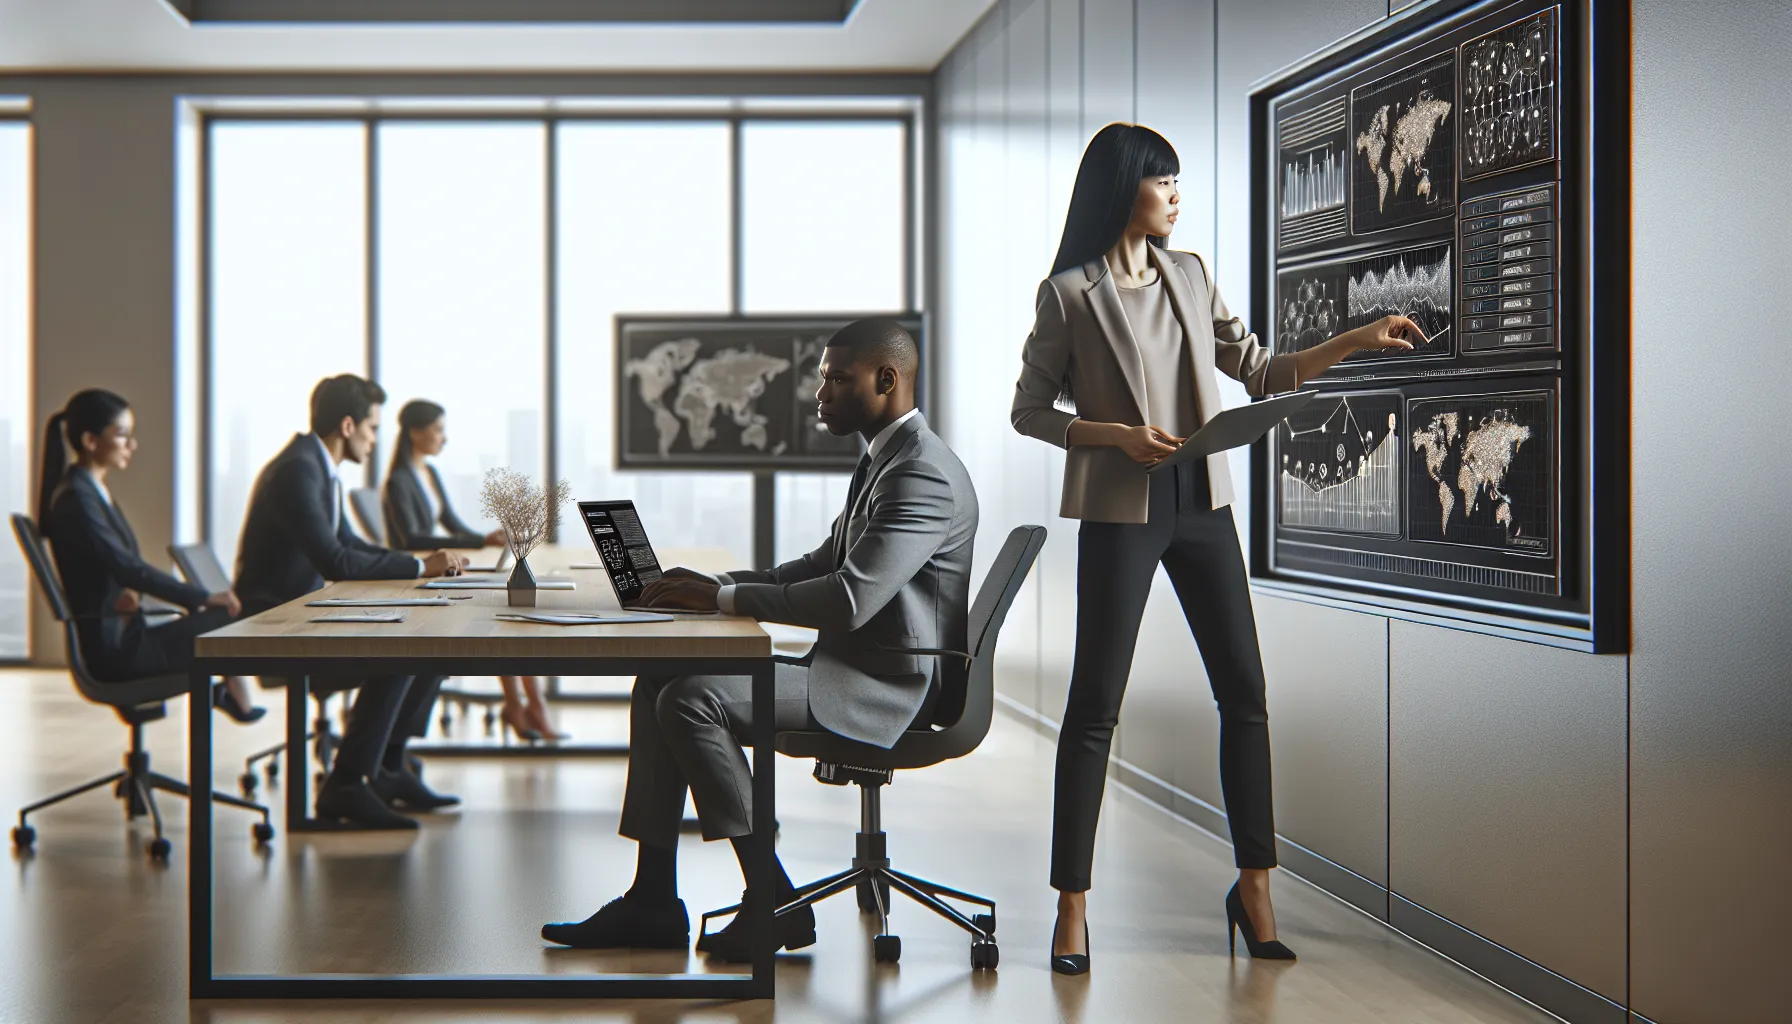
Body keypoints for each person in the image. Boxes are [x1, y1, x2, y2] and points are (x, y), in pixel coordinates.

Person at [1011, 124, 1422, 972]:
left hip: (1202, 502)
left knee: (1245, 691)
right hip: (1122, 507)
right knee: (1095, 706)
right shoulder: (1068, 295)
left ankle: (1255, 890)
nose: (1174, 194)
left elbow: (1264, 371)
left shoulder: (1191, 276)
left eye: (1177, 181)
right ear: (1123, 188)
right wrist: (1113, 436)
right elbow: (1029, 411)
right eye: (1162, 180)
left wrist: (1354, 340)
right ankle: (1072, 909)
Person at [540, 318, 978, 962]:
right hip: (855, 664)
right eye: (821, 377)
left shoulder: (921, 473)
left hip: (885, 685)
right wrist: (714, 584)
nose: (820, 392)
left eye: (837, 378)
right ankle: (653, 899)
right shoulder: (887, 459)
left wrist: (722, 599)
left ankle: (772, 900)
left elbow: (851, 598)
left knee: (692, 698)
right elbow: (818, 565)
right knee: (659, 681)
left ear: (887, 380)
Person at [235, 374, 471, 830]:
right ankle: (345, 784)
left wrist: (418, 563)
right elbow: (337, 560)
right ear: (347, 426)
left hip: (302, 613)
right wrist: (419, 567)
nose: (375, 439)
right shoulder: (298, 470)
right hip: (277, 626)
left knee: (432, 646)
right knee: (402, 651)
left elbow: (348, 542)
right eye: (372, 428)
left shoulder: (316, 466)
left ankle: (387, 768)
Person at [36, 389, 264, 723]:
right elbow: (127, 568)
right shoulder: (77, 500)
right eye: (123, 435)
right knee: (230, 619)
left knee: (225, 619)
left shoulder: (88, 492)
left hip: (127, 633)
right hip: (117, 653)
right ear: (90, 440)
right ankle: (230, 692)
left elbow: (118, 569)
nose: (133, 445)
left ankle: (228, 691)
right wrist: (199, 597)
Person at [383, 398, 561, 741]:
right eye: (437, 430)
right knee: (501, 620)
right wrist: (472, 544)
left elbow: (449, 523)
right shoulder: (398, 481)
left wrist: (485, 539)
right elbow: (410, 537)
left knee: (510, 617)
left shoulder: (428, 474)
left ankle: (528, 705)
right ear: (414, 432)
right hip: (420, 578)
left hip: (445, 570)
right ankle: (524, 706)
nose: (443, 438)